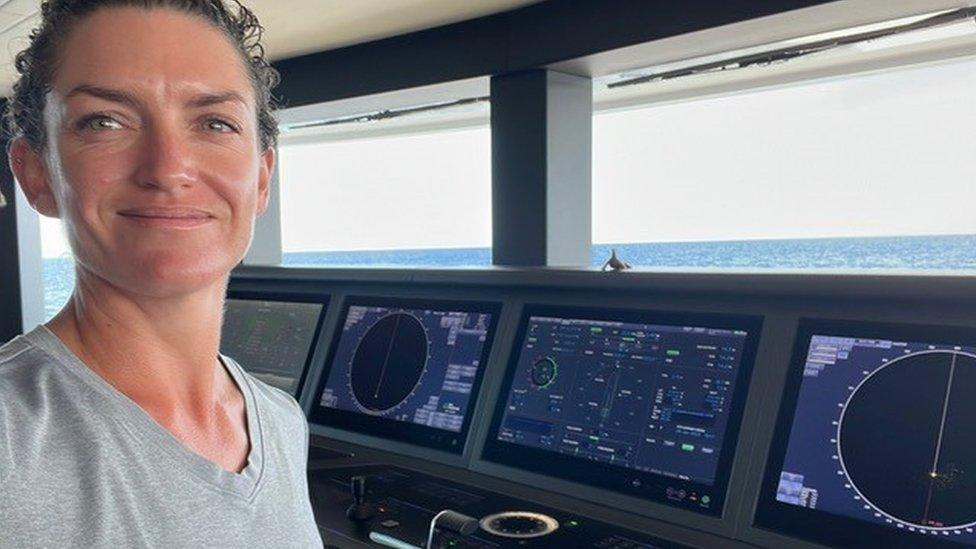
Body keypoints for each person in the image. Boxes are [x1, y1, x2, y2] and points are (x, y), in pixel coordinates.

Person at [0, 1, 323, 547]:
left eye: (215, 123)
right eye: (105, 121)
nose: (169, 167)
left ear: (263, 178)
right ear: (36, 174)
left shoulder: (281, 421)